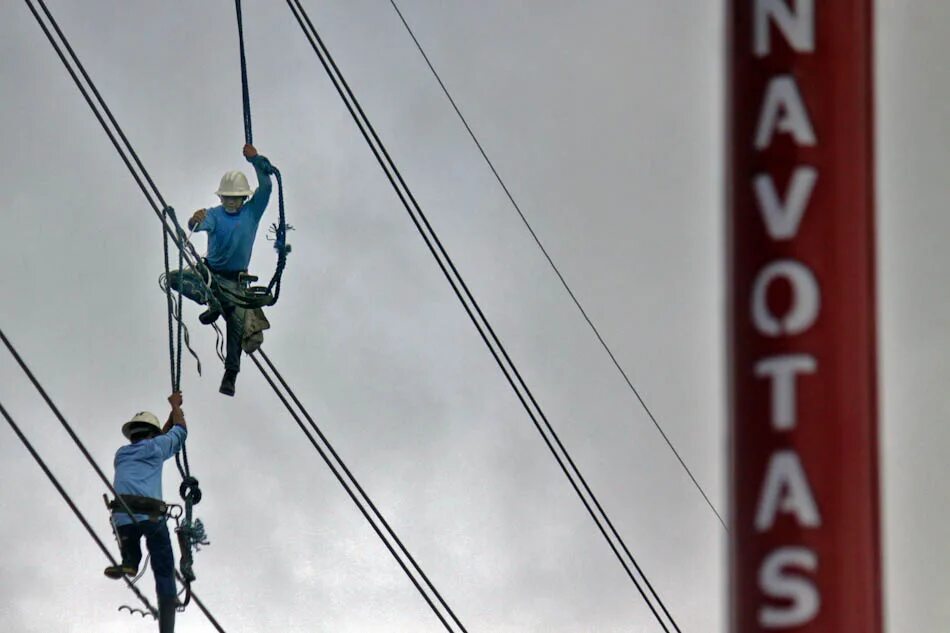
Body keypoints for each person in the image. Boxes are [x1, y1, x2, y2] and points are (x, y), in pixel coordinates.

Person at [167, 143, 273, 396]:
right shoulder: (215, 214)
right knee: (174, 278)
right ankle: (211, 301)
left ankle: (231, 375)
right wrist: (195, 220)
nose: (229, 203)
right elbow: (199, 224)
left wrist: (255, 160)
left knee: (236, 327)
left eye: (234, 198)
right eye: (225, 198)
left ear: (243, 198)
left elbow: (267, 186)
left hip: (236, 283)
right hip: (210, 275)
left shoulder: (252, 212)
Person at [104, 392, 188, 633]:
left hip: (123, 517)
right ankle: (168, 616)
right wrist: (175, 407)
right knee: (163, 568)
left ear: (133, 434)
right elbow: (181, 431)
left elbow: (157, 440)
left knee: (131, 550)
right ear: (152, 433)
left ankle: (130, 561)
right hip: (150, 516)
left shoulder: (121, 454)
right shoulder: (156, 447)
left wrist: (170, 417)